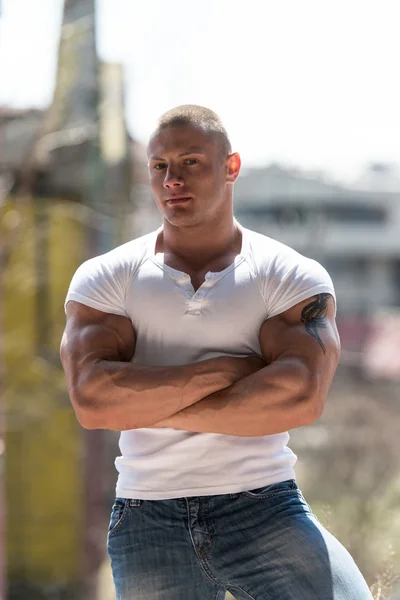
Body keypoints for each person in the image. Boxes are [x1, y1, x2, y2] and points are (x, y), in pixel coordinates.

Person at [61, 105, 372, 600]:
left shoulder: (289, 275)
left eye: (190, 163)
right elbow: (94, 402)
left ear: (231, 167)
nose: (172, 180)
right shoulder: (106, 277)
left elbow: (298, 400)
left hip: (264, 506)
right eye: (160, 166)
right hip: (148, 517)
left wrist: (146, 405)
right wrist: (226, 370)